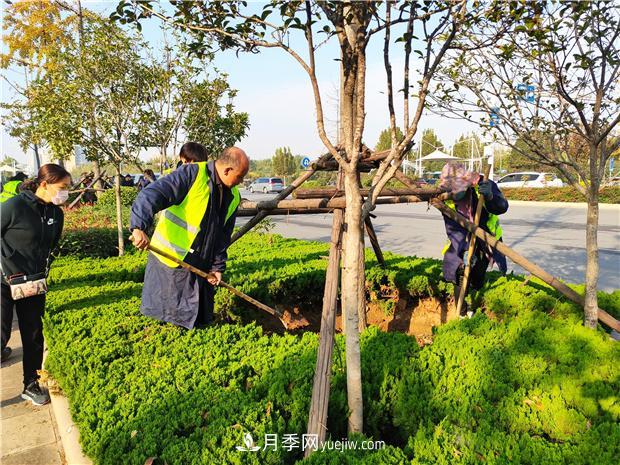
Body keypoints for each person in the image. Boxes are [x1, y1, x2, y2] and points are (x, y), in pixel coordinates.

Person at [130, 146, 249, 329]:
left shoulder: (233, 196)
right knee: (170, 318)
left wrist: (217, 267)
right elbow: (151, 194)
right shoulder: (191, 175)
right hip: (172, 263)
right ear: (227, 170)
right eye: (240, 176)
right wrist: (138, 227)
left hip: (201, 266)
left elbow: (222, 238)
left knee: (199, 319)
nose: (240, 182)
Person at [1, 163, 71, 406]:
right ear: (44, 184)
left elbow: (50, 247)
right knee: (1, 334)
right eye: (63, 187)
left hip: (32, 283)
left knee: (33, 335)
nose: (66, 192)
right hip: (3, 281)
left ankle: (30, 384)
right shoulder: (14, 207)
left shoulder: (55, 214)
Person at [438, 162, 508, 318]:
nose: (454, 193)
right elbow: (452, 228)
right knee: (460, 271)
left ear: (467, 182)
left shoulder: (483, 183)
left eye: (458, 188)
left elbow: (502, 206)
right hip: (462, 239)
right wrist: (463, 249)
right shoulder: (444, 197)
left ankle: (477, 298)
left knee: (478, 273)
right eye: (451, 189)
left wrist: (490, 196)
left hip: (487, 237)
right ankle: (462, 312)